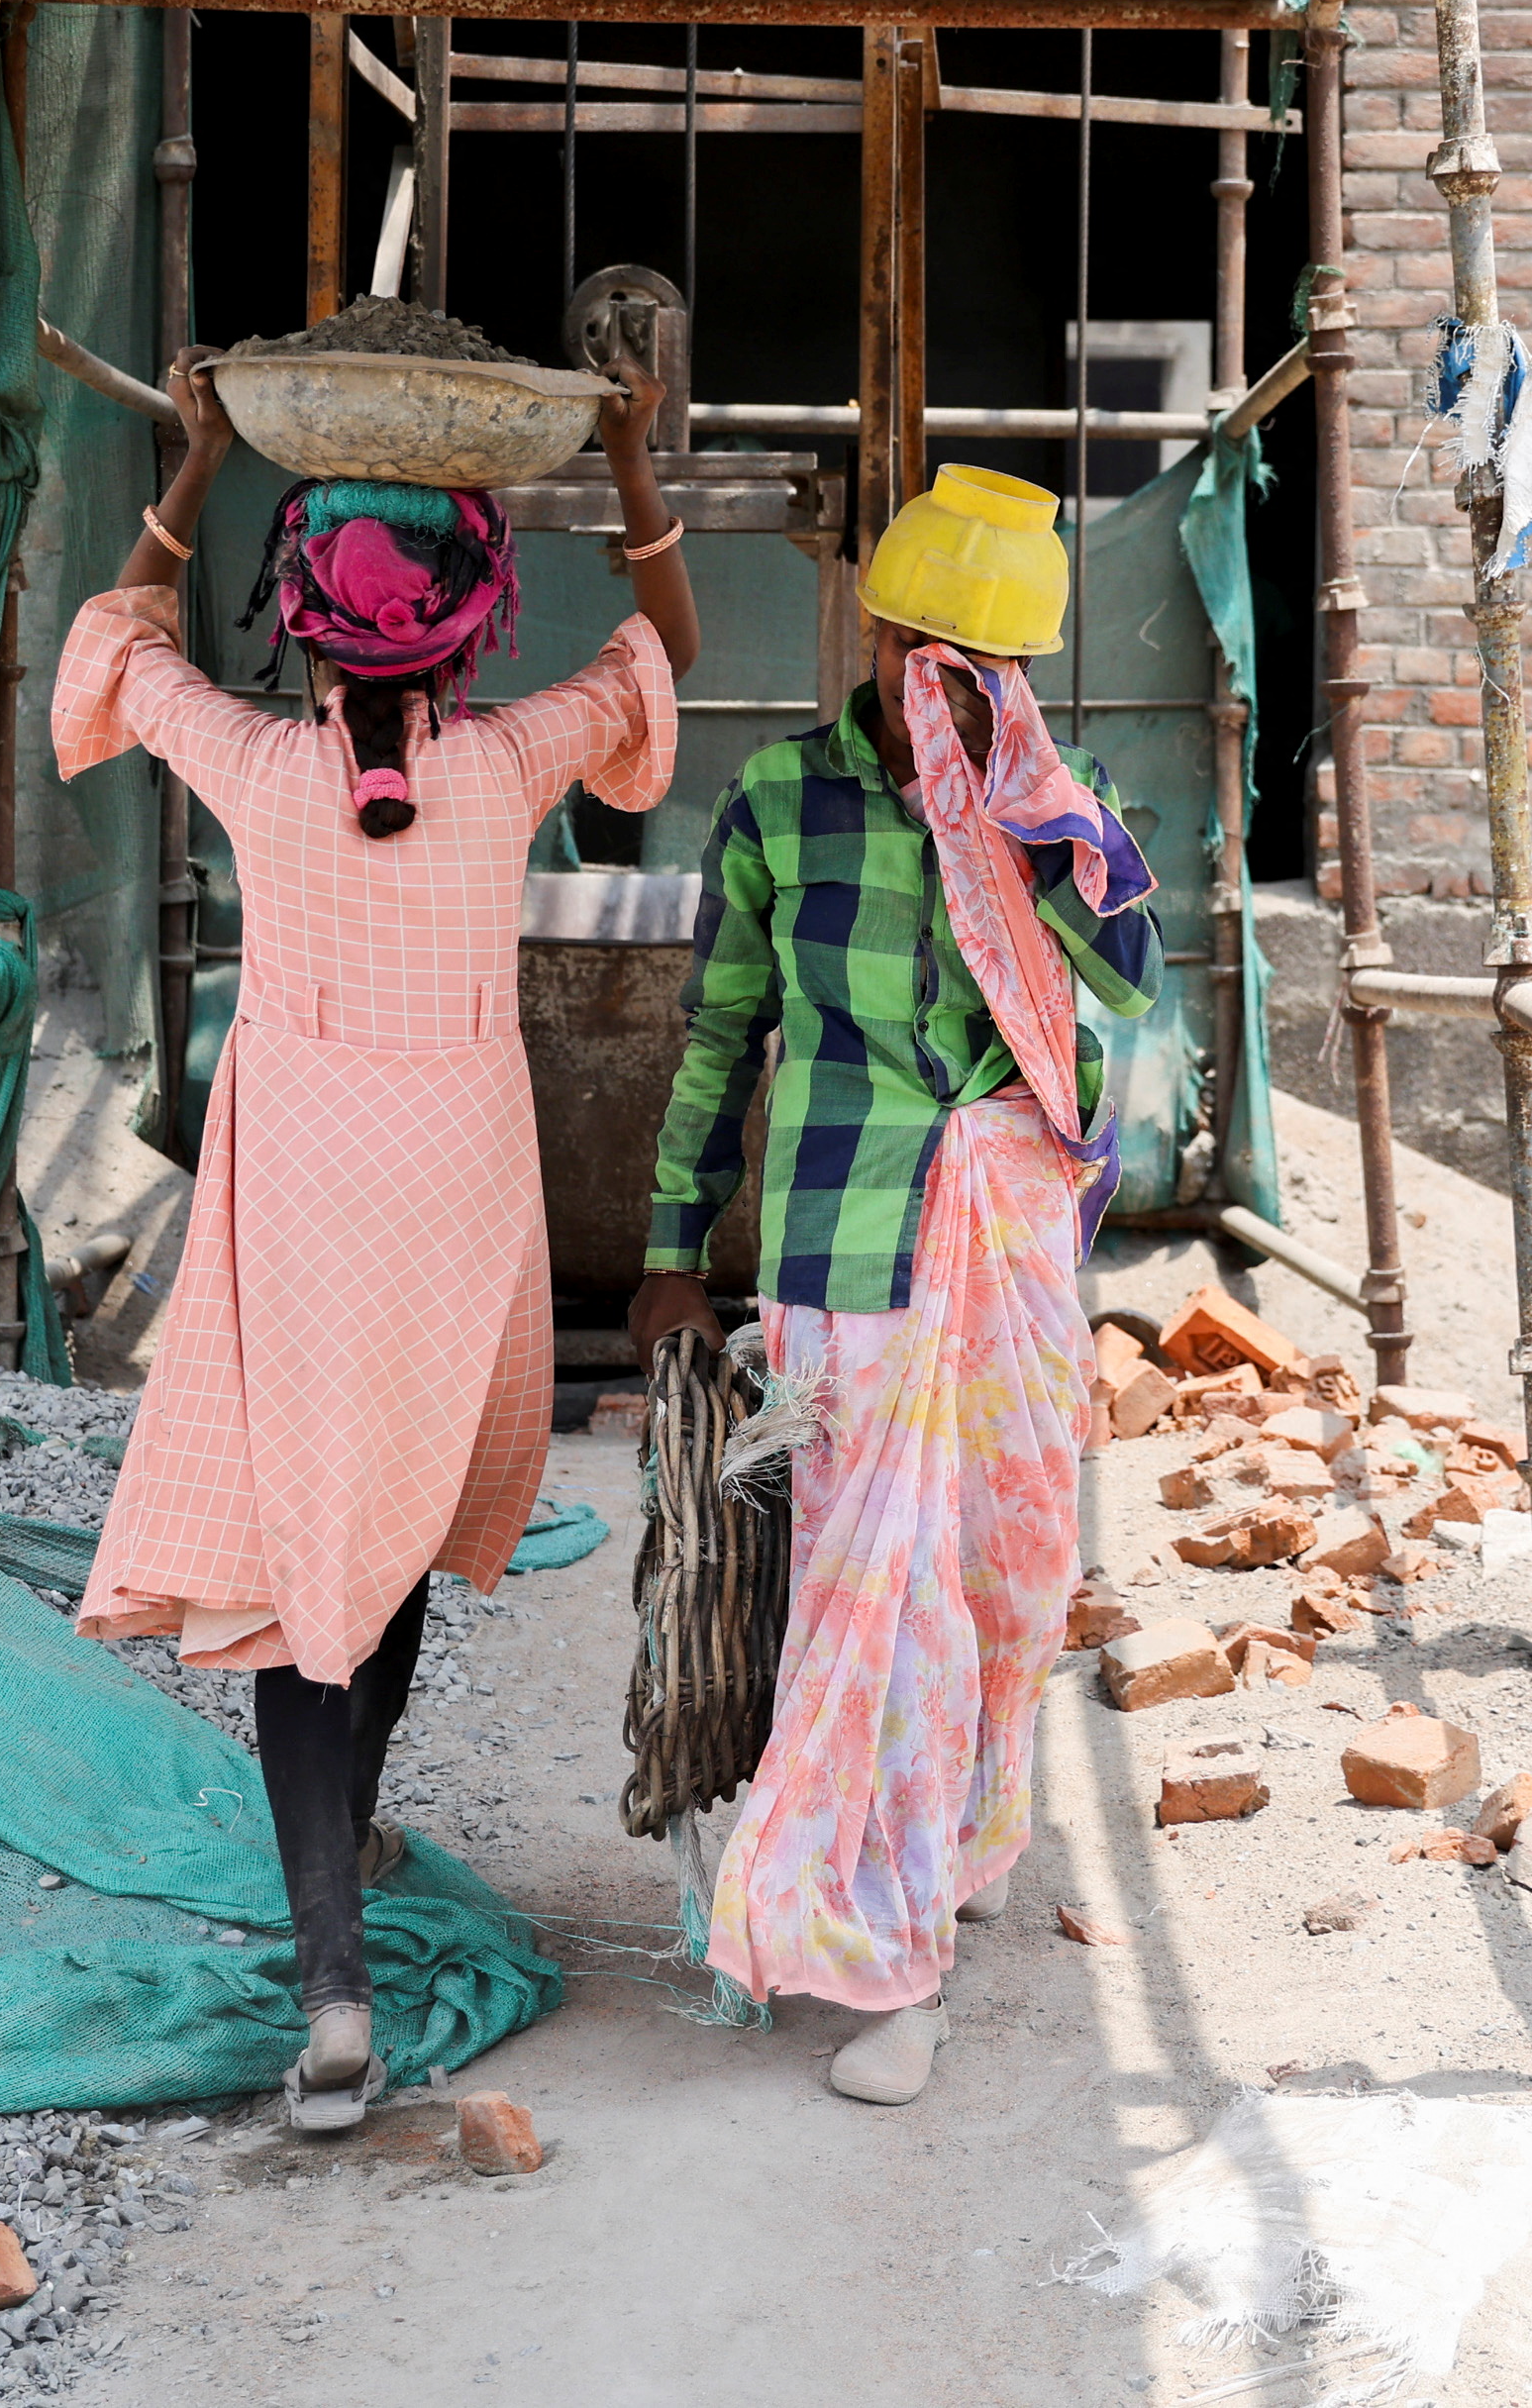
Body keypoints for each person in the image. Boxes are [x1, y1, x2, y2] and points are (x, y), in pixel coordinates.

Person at [53, 346, 700, 2131]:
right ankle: (354, 1834)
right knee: (391, 1521)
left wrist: (191, 467)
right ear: (475, 617)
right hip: (456, 1176)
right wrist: (631, 460)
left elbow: (116, 646)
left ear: (308, 625)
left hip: (309, 1182)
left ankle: (330, 1972)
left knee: (297, 1562)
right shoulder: (501, 773)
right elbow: (668, 661)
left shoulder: (260, 768)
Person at [629, 464, 1161, 2109]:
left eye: (973, 663)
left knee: (1007, 1567)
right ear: (875, 634)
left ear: (1017, 676)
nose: (931, 680)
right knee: (876, 1596)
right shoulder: (784, 801)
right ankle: (891, 1950)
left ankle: (972, 1818)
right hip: (842, 1255)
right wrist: (665, 1246)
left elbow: (1129, 990)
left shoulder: (1057, 813)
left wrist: (1031, 814)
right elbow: (720, 1031)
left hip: (1004, 1248)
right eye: (916, 648)